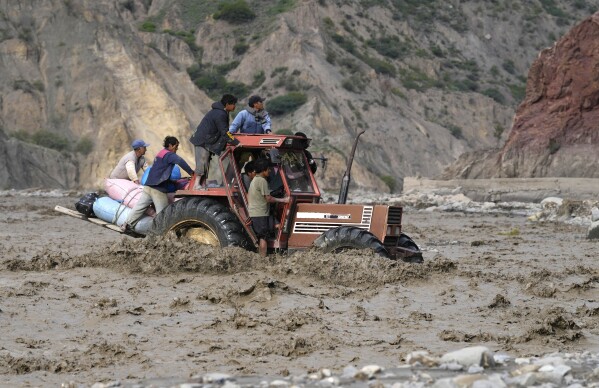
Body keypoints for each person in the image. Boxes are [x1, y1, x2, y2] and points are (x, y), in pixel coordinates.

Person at [122, 136, 194, 233]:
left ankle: (126, 225)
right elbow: (181, 161)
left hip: (148, 186)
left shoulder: (161, 153)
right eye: (176, 146)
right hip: (158, 189)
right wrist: (192, 173)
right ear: (170, 145)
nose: (177, 149)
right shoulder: (170, 155)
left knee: (139, 207)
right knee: (163, 214)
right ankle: (159, 234)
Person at [190, 94, 240, 190]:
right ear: (227, 104)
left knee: (206, 162)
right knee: (202, 161)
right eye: (233, 104)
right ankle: (196, 185)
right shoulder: (220, 114)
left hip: (207, 141)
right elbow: (225, 132)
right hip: (203, 141)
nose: (235, 106)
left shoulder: (222, 112)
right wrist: (236, 142)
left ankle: (202, 184)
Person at [248, 158, 289, 255]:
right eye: (268, 169)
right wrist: (284, 200)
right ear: (263, 170)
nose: (270, 171)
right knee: (263, 237)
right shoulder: (262, 181)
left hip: (257, 213)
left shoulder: (255, 180)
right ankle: (263, 259)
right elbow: (268, 199)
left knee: (270, 229)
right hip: (260, 213)